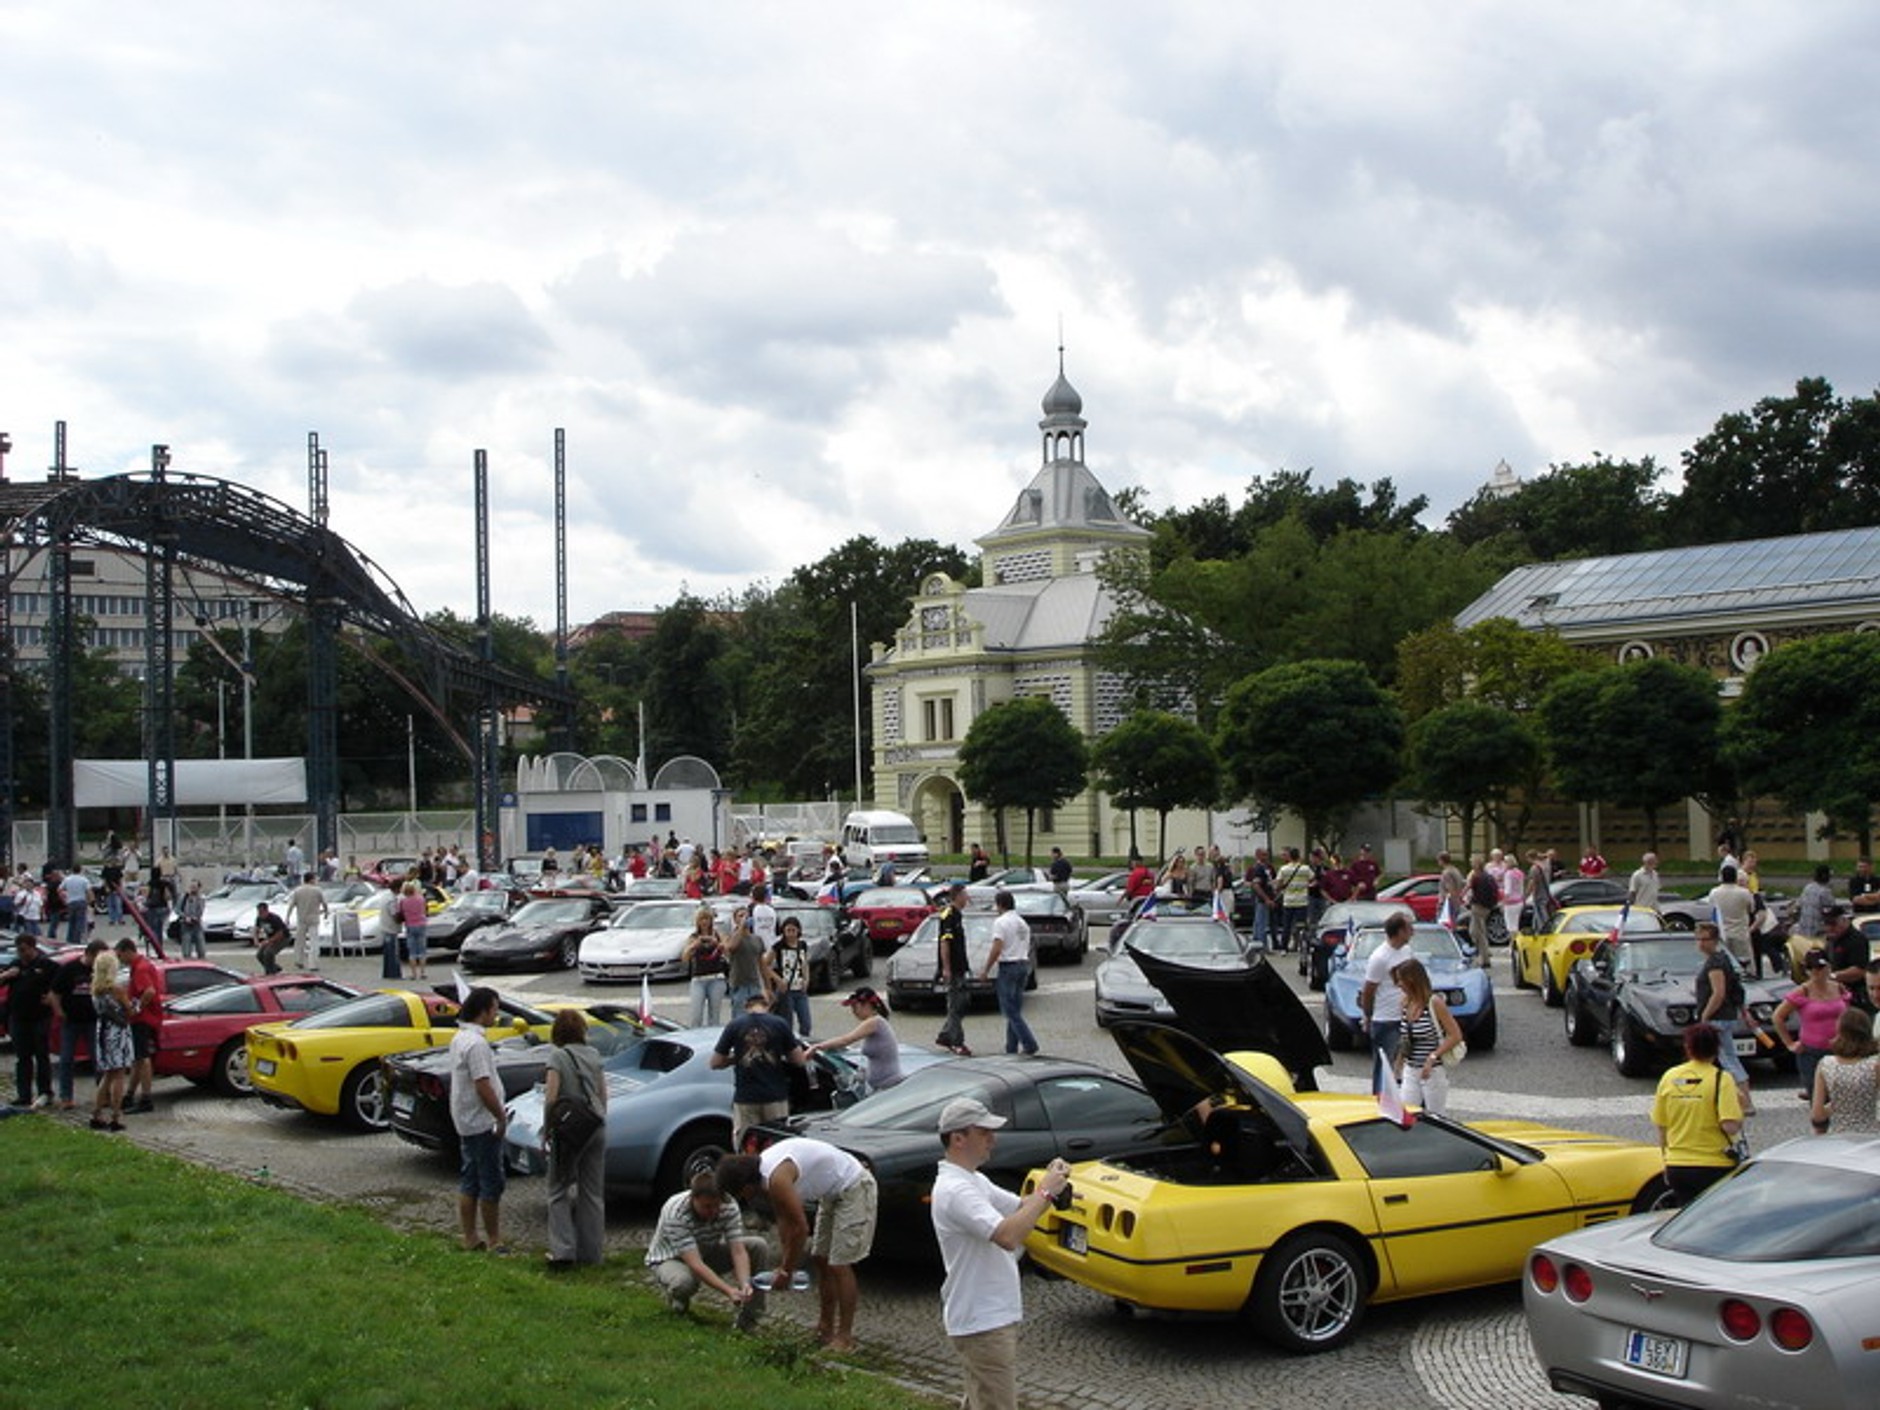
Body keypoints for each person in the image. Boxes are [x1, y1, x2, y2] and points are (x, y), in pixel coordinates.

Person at [930, 1096, 1072, 1410]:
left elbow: (1021, 1208)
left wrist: (1049, 1188)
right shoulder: (957, 1190)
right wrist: (1046, 1192)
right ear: (958, 1139)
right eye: (984, 1133)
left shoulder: (973, 1180)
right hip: (982, 1323)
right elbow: (1008, 1235)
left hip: (986, 1318)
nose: (992, 1140)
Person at [715, 1136, 878, 1352]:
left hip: (854, 1186)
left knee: (839, 1264)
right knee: (821, 1259)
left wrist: (787, 1270)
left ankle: (845, 1338)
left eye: (740, 1193)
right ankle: (825, 1327)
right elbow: (784, 1219)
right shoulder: (767, 1177)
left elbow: (801, 1228)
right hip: (831, 1194)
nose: (744, 1198)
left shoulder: (776, 1178)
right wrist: (785, 1261)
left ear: (745, 1185)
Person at [646, 1171, 768, 1331]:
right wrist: (729, 1291)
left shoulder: (729, 1205)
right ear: (693, 1199)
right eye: (707, 1206)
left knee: (758, 1246)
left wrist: (745, 1283)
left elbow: (738, 1251)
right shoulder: (675, 1212)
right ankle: (678, 1300)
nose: (713, 1211)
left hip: (707, 1251)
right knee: (684, 1283)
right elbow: (695, 1263)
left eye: (716, 1205)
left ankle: (749, 1318)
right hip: (672, 1258)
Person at [541, 1008, 607, 1267]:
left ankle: (563, 1252)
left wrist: (547, 1129)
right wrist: (599, 1120)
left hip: (569, 1130)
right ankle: (592, 1254)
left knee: (557, 1188)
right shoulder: (594, 1055)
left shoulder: (557, 1057)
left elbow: (551, 1098)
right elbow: (603, 1095)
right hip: (595, 1125)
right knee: (592, 1192)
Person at [1651, 1023, 1743, 1206]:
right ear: (1717, 1048)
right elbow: (1729, 1126)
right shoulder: (1721, 1079)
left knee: (1687, 1219)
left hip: (1677, 1165)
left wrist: (1666, 1162)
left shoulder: (1670, 1077)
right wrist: (1740, 1110)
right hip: (1714, 1165)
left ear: (1688, 1047)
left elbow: (1662, 1126)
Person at [449, 986, 509, 1253]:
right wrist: (500, 1115)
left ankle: (470, 1236)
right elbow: (482, 1084)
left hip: (465, 1120)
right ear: (484, 1011)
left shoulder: (459, 1038)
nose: (496, 1015)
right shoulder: (477, 1044)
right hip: (481, 1121)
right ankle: (494, 1239)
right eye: (494, 1009)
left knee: (469, 1178)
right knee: (490, 1182)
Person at [710, 990, 806, 1145]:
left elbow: (715, 1062)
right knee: (778, 1145)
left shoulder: (735, 1025)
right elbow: (799, 1060)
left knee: (746, 1145)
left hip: (746, 1098)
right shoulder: (780, 1024)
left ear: (746, 1006)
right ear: (767, 1005)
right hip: (775, 1097)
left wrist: (736, 1058)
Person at [1692, 921, 1756, 1116]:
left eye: (1706, 939)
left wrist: (1704, 1016)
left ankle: (1745, 1102)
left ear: (1715, 940)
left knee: (1727, 1059)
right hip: (1724, 1016)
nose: (1701, 943)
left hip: (1718, 1018)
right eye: (1699, 939)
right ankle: (1729, 1099)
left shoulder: (1715, 963)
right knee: (1724, 1059)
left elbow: (1718, 993)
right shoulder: (1721, 959)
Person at [1392, 957, 1464, 1115]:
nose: (1398, 985)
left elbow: (1455, 1035)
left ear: (1411, 980)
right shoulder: (1405, 1003)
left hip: (1433, 1071)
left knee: (1435, 1115)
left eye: (1401, 980)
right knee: (1406, 1114)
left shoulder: (1434, 1003)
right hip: (1411, 1069)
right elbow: (1405, 1038)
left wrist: (1433, 1057)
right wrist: (1398, 1064)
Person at [1773, 949, 1848, 1102]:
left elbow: (1847, 1013)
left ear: (1828, 967)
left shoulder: (1839, 988)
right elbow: (1778, 1017)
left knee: (1841, 1096)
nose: (1816, 973)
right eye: (1811, 969)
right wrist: (1789, 1043)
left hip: (1838, 1049)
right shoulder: (1803, 991)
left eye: (1820, 968)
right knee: (1818, 1098)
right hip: (1811, 1051)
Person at [1358, 913, 1416, 1095]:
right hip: (1385, 1020)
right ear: (1399, 931)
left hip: (1406, 1016)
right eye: (1409, 928)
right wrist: (1368, 1016)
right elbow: (1369, 990)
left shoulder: (1406, 951)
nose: (1413, 932)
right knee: (1384, 1068)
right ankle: (1380, 1104)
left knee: (1409, 1065)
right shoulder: (1379, 958)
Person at [1, 933, 59, 1107]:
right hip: (18, 1018)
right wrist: (6, 976)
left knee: (41, 1055)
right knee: (22, 1058)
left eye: (24, 950)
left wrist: (52, 997)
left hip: (40, 1017)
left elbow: (60, 984)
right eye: (19, 951)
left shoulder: (46, 965)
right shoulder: (16, 965)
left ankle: (45, 1092)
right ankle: (23, 1094)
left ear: (33, 948)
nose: (21, 954)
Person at [810, 987, 904, 1091]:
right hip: (879, 1085)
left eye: (855, 1007)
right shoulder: (873, 1024)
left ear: (867, 1005)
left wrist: (817, 1046)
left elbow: (845, 1040)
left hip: (888, 1084)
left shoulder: (874, 1022)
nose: (853, 1011)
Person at [980, 889, 1038, 1056]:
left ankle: (1029, 1043)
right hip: (1022, 964)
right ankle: (1011, 1047)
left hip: (1008, 965)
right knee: (1015, 1008)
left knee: (1009, 1010)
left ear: (1000, 904)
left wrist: (986, 969)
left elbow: (997, 947)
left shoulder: (1001, 922)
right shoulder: (1022, 923)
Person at [50, 938, 105, 1110]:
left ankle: (104, 1095)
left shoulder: (100, 971)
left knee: (98, 1059)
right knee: (67, 1059)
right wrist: (59, 1011)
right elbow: (55, 993)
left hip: (93, 1020)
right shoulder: (70, 969)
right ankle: (66, 1097)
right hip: (72, 1020)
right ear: (89, 954)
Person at [1811, 1007, 1880, 1135]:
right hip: (1870, 1135)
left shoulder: (1826, 1064)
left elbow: (1817, 1115)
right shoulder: (1874, 1065)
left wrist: (1836, 1104)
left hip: (1838, 1135)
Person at [89, 941, 132, 1132]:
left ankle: (97, 1113)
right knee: (119, 1075)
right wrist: (138, 1002)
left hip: (102, 1031)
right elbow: (129, 1011)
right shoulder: (117, 989)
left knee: (107, 1074)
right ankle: (116, 1115)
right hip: (117, 1032)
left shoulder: (96, 990)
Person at [119, 937, 161, 1113]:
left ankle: (146, 1097)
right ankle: (130, 1095)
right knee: (138, 1058)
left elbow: (149, 991)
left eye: (120, 955)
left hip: (143, 1019)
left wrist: (135, 1009)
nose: (120, 960)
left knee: (143, 1058)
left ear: (128, 951)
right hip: (145, 1018)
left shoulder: (140, 969)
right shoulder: (141, 965)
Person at [934, 883, 973, 1056]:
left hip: (960, 967)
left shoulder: (958, 915)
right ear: (957, 896)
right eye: (965, 895)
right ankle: (957, 1042)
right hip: (954, 968)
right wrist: (946, 968)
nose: (968, 899)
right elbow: (945, 942)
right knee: (957, 1005)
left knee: (961, 1002)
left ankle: (945, 1035)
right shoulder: (948, 916)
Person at [761, 914, 815, 1036]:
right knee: (787, 1022)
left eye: (793, 930)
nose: (790, 934)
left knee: (806, 1023)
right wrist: (778, 979)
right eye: (788, 931)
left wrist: (806, 979)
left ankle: (803, 1044)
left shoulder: (802, 945)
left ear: (798, 931)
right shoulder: (778, 946)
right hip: (786, 990)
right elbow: (764, 964)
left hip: (800, 989)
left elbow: (804, 963)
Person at [682, 907, 729, 1028]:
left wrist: (717, 944)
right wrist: (694, 945)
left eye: (707, 919)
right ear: (697, 921)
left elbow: (728, 951)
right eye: (702, 919)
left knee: (714, 1015)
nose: (704, 922)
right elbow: (685, 958)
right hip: (698, 979)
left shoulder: (717, 934)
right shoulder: (693, 936)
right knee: (696, 1015)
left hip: (716, 978)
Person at [1706, 865, 1757, 971]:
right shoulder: (1744, 893)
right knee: (1744, 962)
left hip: (1722, 932)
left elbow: (1711, 909)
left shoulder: (1714, 892)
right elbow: (1752, 909)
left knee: (1723, 963)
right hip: (1740, 932)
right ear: (1735, 877)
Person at [722, 904, 769, 1011]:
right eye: (740, 915)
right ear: (735, 919)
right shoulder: (732, 937)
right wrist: (741, 927)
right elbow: (731, 947)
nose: (744, 918)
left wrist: (767, 987)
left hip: (754, 984)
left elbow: (762, 965)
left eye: (747, 916)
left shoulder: (757, 939)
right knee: (740, 1016)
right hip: (739, 984)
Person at [287, 871, 328, 972]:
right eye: (315, 878)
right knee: (314, 941)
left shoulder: (298, 891)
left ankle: (299, 960)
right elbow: (324, 903)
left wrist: (287, 917)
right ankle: (313, 964)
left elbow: (291, 905)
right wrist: (326, 912)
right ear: (311, 879)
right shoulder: (317, 890)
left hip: (301, 918)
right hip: (314, 918)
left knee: (299, 941)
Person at [397, 880, 430, 980]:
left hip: (410, 925)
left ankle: (413, 974)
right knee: (422, 950)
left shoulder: (403, 901)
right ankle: (423, 972)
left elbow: (400, 913)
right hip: (421, 924)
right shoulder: (421, 899)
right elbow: (425, 909)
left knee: (412, 951)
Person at [253, 901, 291, 975]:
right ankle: (275, 968)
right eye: (259, 912)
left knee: (268, 952)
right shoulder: (259, 919)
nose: (260, 914)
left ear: (267, 911)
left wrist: (268, 941)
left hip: (283, 938)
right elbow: (256, 930)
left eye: (262, 912)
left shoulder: (274, 918)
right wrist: (256, 940)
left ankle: (270, 972)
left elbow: (280, 933)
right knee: (259, 955)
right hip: (271, 938)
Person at [59, 865, 92, 947]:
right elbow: (88, 891)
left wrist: (64, 898)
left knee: (71, 921)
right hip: (81, 901)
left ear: (72, 870)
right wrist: (89, 901)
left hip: (71, 902)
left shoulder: (67, 879)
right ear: (80, 870)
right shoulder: (84, 880)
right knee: (80, 921)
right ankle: (77, 940)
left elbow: (60, 889)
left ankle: (70, 939)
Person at [175, 879, 206, 959]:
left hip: (197, 925)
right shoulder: (184, 897)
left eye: (195, 887)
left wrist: (196, 917)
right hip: (186, 925)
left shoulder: (201, 898)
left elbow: (201, 910)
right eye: (191, 887)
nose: (192, 889)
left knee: (201, 947)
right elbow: (177, 910)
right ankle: (187, 959)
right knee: (186, 948)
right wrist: (185, 917)